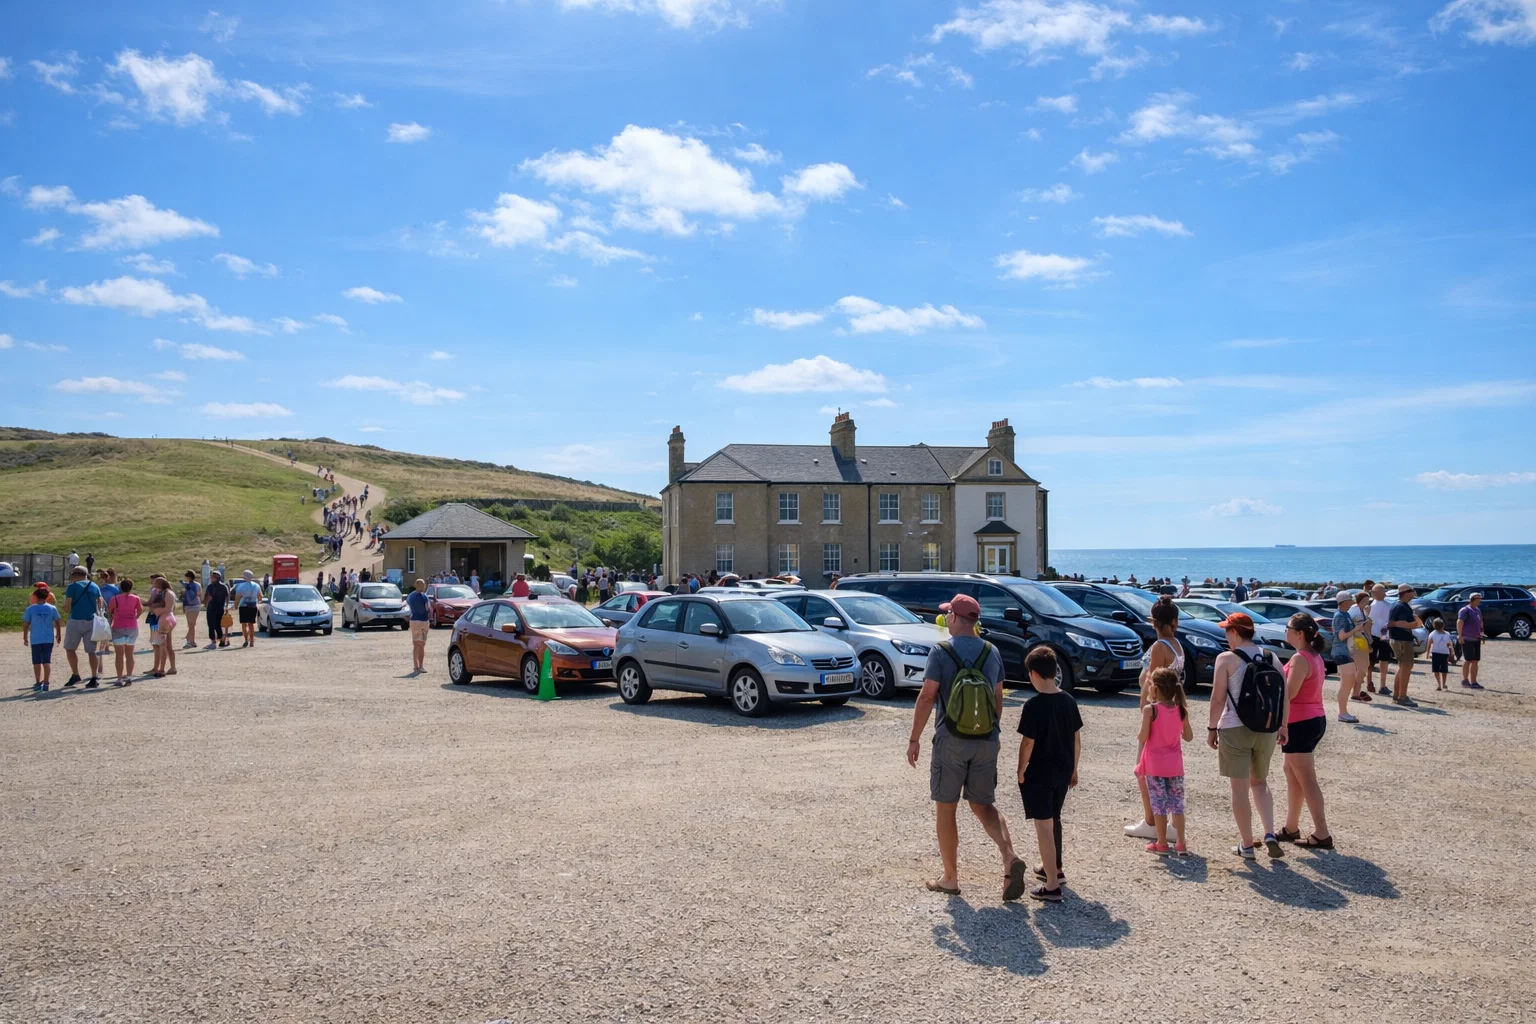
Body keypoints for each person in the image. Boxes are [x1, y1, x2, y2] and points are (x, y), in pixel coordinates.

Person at [906, 593, 1026, 900]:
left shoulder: (941, 651)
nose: (945, 618)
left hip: (951, 739)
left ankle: (950, 878)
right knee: (983, 804)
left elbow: (927, 696)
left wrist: (915, 738)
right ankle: (1009, 856)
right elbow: (998, 698)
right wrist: (993, 732)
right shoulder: (992, 651)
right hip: (986, 738)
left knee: (947, 808)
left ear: (957, 618)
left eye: (948, 614)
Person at [1208, 612, 1288, 860]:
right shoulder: (1271, 657)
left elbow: (1218, 697)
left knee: (1239, 788)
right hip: (1266, 729)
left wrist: (1212, 728)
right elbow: (1284, 696)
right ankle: (1270, 833)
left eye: (1226, 631)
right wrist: (1283, 726)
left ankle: (1247, 845)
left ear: (1234, 632)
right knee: (1260, 784)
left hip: (1235, 727)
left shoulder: (1226, 658)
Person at [1016, 644, 1082, 900]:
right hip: (1063, 770)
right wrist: (1074, 768)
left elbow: (1028, 743)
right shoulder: (1068, 700)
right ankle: (1054, 868)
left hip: (1040, 773)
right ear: (1055, 671)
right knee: (1054, 819)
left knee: (1043, 826)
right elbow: (1077, 738)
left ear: (1033, 674)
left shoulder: (1033, 706)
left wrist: (1021, 769)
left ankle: (1052, 885)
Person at [1126, 596, 1184, 844]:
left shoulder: (1160, 647)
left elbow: (1150, 681)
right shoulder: (1176, 645)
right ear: (1173, 621)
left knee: (1145, 769)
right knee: (1162, 771)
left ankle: (1151, 821)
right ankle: (1158, 822)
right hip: (1169, 714)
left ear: (1153, 621)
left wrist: (1143, 707)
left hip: (1155, 713)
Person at [1277, 613, 1332, 848]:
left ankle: (1322, 832)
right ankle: (1291, 826)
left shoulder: (1301, 658)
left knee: (1306, 778)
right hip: (1312, 718)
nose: (1285, 631)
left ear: (1300, 633)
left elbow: (1291, 693)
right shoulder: (1313, 655)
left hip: (1301, 721)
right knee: (1291, 772)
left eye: (1287, 628)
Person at [1134, 665, 1192, 856]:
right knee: (1177, 805)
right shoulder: (1181, 710)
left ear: (1155, 688)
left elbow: (1143, 736)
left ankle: (1161, 843)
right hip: (1175, 766)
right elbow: (1188, 736)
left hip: (1156, 766)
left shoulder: (1151, 710)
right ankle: (1181, 843)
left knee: (1159, 805)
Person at [62, 565, 104, 688]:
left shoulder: (72, 586)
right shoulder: (94, 585)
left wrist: (65, 608)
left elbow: (67, 606)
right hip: (91, 620)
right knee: (92, 651)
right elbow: (100, 602)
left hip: (75, 619)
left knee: (70, 649)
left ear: (75, 575)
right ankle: (94, 677)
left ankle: (75, 674)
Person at [23, 584, 63, 692]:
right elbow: (57, 622)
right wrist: (59, 634)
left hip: (35, 638)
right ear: (47, 597)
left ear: (35, 596)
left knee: (36, 661)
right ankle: (46, 682)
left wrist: (25, 637)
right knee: (46, 660)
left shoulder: (30, 609)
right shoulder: (52, 608)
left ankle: (37, 682)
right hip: (48, 638)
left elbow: (26, 624)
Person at [1331, 593, 1364, 724]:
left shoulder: (1345, 614)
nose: (1352, 601)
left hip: (1346, 652)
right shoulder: (1340, 616)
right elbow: (1341, 636)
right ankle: (1342, 713)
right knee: (1347, 682)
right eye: (1350, 599)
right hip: (1341, 651)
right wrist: (1356, 629)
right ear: (1344, 601)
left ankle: (1343, 712)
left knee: (1348, 682)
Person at [1388, 585, 1422, 706]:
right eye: (1412, 591)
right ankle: (1402, 696)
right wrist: (1414, 624)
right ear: (1406, 593)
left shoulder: (1398, 605)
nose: (1414, 593)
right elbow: (1401, 623)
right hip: (1402, 640)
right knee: (1406, 668)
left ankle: (1397, 695)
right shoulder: (1402, 607)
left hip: (1398, 639)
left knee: (1402, 667)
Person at [106, 577, 143, 686]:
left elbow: (109, 611)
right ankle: (129, 676)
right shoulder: (136, 598)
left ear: (121, 587)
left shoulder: (115, 599)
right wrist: (135, 617)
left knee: (119, 655)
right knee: (130, 654)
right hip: (132, 626)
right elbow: (140, 610)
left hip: (118, 626)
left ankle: (119, 678)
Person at [149, 576, 177, 678]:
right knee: (167, 645)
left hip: (165, 619)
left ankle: (162, 669)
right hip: (166, 618)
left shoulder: (167, 593)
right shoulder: (165, 592)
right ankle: (172, 667)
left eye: (156, 583)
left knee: (163, 644)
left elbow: (168, 608)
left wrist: (155, 610)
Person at [1368, 584, 1393, 694]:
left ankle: (1382, 685)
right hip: (1373, 634)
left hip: (1384, 635)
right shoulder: (1369, 606)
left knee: (1384, 659)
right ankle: (1369, 681)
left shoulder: (1389, 605)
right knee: (1370, 660)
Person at [1458, 592, 1484, 689]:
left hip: (1476, 638)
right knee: (1468, 659)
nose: (1479, 600)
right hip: (1467, 638)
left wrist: (1482, 632)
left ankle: (1474, 681)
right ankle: (1465, 680)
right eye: (1478, 599)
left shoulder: (1478, 610)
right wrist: (1460, 636)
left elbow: (1480, 622)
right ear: (1472, 599)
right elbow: (1460, 622)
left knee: (1475, 660)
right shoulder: (1465, 610)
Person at [232, 571, 263, 648]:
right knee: (251, 624)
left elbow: (237, 598)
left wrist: (235, 606)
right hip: (252, 605)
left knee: (243, 624)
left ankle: (246, 640)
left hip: (243, 606)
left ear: (244, 577)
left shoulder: (241, 586)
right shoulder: (256, 585)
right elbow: (260, 597)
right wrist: (258, 601)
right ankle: (252, 641)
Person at [406, 579, 430, 673]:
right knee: (417, 643)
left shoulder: (424, 596)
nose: (423, 586)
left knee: (422, 644)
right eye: (421, 585)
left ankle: (421, 665)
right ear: (416, 585)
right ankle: (416, 666)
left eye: (423, 585)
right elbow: (407, 607)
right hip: (416, 621)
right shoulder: (412, 596)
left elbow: (428, 608)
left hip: (424, 621)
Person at [204, 571, 230, 649]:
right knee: (217, 624)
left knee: (212, 625)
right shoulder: (223, 586)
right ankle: (220, 639)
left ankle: (214, 641)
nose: (211, 578)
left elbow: (208, 597)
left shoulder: (211, 586)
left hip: (213, 608)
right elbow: (228, 596)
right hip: (218, 607)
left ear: (217, 577)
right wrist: (226, 605)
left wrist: (205, 603)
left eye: (212, 577)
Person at [1428, 618, 1453, 691]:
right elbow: (1450, 644)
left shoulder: (1434, 634)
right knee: (1443, 670)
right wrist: (1452, 651)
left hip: (1438, 653)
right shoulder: (1435, 634)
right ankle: (1442, 684)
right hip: (1442, 653)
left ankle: (1440, 684)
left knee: (1438, 670)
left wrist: (1428, 653)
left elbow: (1429, 644)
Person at [181, 571, 202, 647]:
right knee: (191, 624)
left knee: (191, 624)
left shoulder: (188, 585)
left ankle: (190, 641)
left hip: (192, 605)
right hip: (192, 605)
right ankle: (191, 639)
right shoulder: (197, 585)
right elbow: (200, 594)